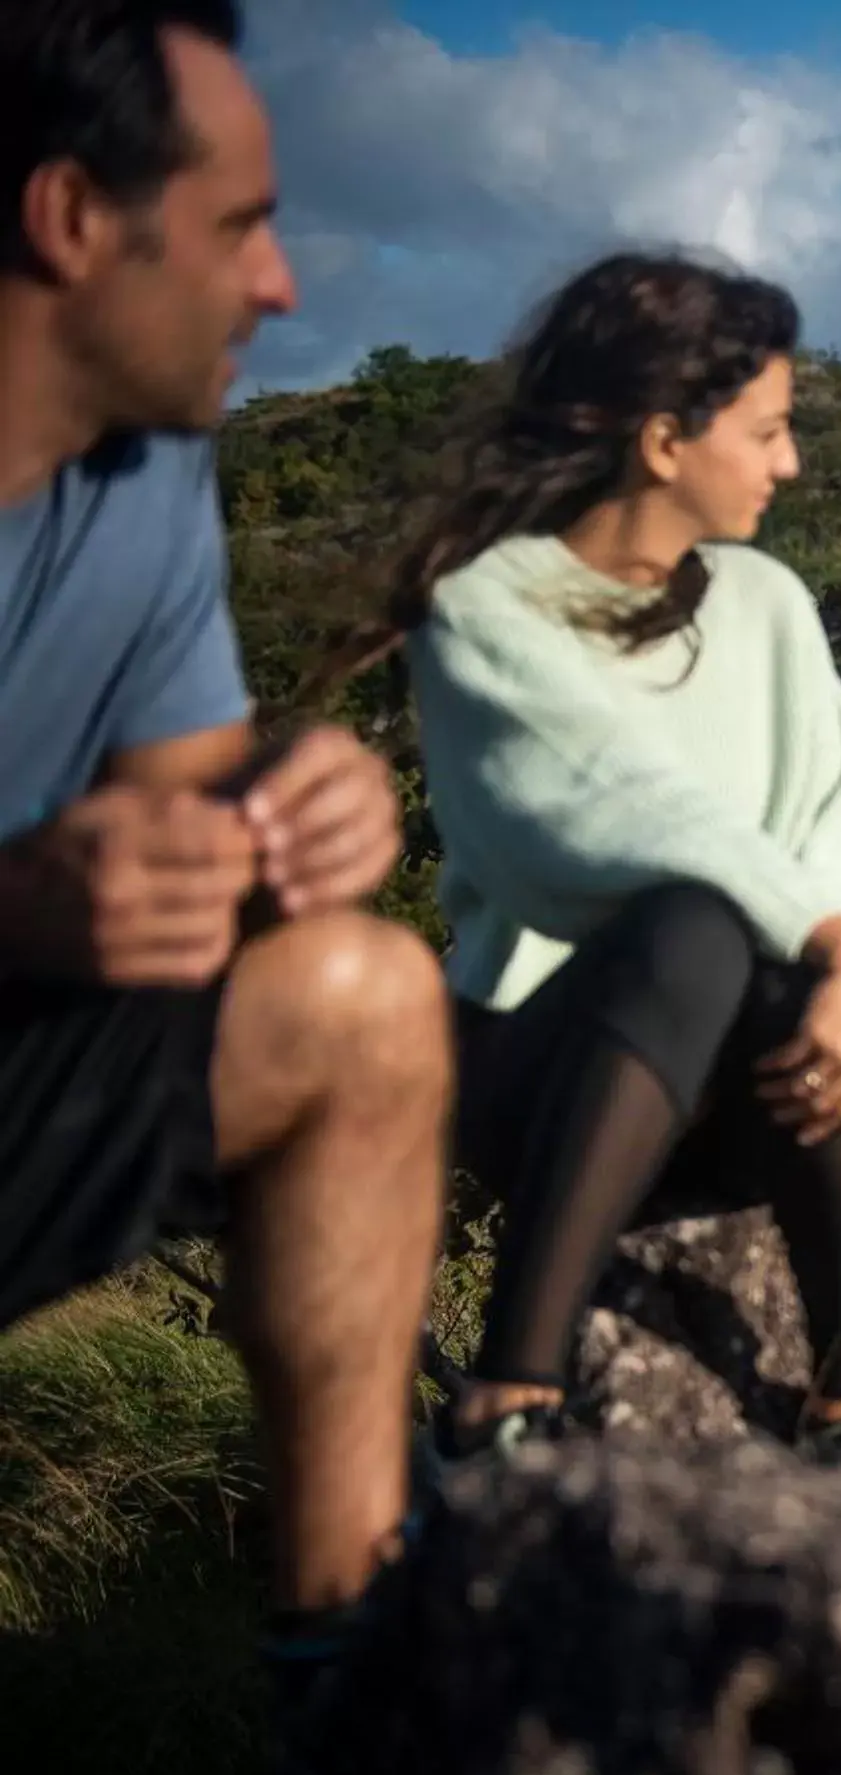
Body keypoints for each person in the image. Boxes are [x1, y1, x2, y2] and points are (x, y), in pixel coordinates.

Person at [0, 0, 450, 1671]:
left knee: (367, 1002)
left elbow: (177, 788)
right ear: (67, 220)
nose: (282, 287)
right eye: (242, 228)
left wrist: (286, 806)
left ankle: (350, 1683)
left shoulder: (151, 469)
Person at [315, 251, 841, 1469]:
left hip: (742, 1082)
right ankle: (506, 1391)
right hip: (547, 1069)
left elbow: (825, 820)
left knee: (816, 984)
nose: (788, 463)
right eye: (766, 432)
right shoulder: (484, 604)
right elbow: (596, 814)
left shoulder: (764, 603)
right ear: (662, 441)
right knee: (692, 923)